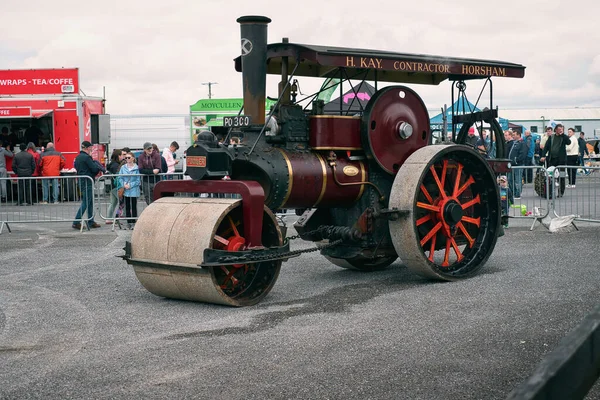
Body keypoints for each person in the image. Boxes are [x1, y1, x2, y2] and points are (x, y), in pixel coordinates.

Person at [72, 141, 104, 229]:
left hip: (81, 181)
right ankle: (76, 221)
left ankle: (91, 221)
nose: (91, 149)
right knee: (86, 202)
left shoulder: (78, 157)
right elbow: (94, 169)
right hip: (88, 181)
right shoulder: (87, 158)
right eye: (91, 147)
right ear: (87, 148)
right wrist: (98, 168)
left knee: (89, 202)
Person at [540, 124, 571, 196]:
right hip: (552, 159)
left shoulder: (563, 137)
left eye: (562, 129)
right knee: (551, 176)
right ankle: (551, 192)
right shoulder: (551, 137)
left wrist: (563, 134)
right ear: (556, 130)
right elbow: (546, 147)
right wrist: (543, 155)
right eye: (559, 129)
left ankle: (561, 192)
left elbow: (569, 142)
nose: (560, 131)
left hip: (561, 160)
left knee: (561, 176)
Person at [118, 152, 141, 230]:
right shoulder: (123, 167)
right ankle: (129, 222)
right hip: (126, 190)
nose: (127, 159)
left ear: (133, 158)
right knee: (127, 207)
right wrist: (124, 184)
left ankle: (133, 222)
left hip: (134, 189)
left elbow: (138, 180)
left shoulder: (137, 168)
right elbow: (120, 177)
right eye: (126, 158)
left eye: (129, 157)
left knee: (133, 206)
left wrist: (130, 185)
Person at [105, 148, 126, 224]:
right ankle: (117, 217)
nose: (122, 157)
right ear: (118, 156)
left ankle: (108, 218)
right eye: (121, 155)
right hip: (117, 186)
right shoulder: (116, 165)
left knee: (113, 203)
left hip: (112, 186)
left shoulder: (111, 164)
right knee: (122, 202)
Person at [507, 131, 526, 200]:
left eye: (514, 135)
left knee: (517, 180)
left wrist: (516, 160)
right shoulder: (514, 143)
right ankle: (513, 192)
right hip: (512, 164)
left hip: (518, 165)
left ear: (518, 135)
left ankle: (518, 194)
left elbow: (523, 154)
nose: (513, 136)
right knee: (510, 179)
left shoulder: (522, 143)